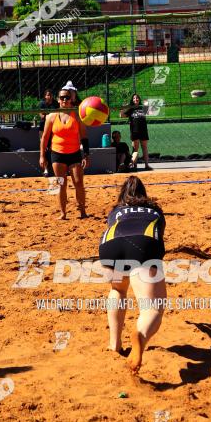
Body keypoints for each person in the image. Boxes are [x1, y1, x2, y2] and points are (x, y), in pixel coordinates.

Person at [99, 175, 166, 373]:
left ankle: (115, 344)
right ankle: (141, 336)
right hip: (143, 244)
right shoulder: (155, 210)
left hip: (110, 245)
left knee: (118, 290)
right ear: (144, 194)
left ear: (122, 195)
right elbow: (158, 235)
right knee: (152, 308)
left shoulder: (115, 211)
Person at [40, 88, 89, 220]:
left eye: (67, 97)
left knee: (78, 183)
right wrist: (42, 156)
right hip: (57, 154)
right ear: (58, 100)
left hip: (74, 153)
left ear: (71, 99)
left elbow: (84, 136)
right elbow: (44, 138)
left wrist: (86, 154)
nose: (65, 100)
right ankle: (63, 213)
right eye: (62, 98)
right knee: (61, 183)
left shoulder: (77, 115)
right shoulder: (51, 116)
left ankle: (83, 211)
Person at [120, 93, 152, 171]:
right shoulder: (131, 109)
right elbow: (122, 116)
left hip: (143, 130)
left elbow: (149, 112)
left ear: (139, 99)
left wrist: (146, 104)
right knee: (135, 149)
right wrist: (123, 108)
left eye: (137, 98)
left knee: (144, 148)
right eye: (134, 98)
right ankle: (134, 165)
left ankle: (147, 165)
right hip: (135, 131)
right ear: (132, 100)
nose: (136, 99)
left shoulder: (142, 108)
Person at [38, 88, 55, 176]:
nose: (49, 96)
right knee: (43, 148)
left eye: (51, 95)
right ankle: (45, 169)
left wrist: (48, 116)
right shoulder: (42, 103)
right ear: (45, 96)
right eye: (48, 95)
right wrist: (50, 116)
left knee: (53, 148)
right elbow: (41, 115)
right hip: (43, 127)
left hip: (53, 127)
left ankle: (54, 168)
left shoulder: (55, 103)